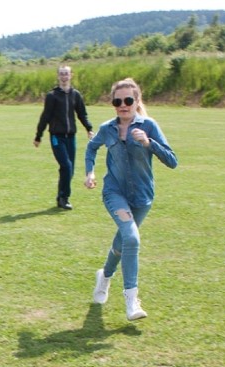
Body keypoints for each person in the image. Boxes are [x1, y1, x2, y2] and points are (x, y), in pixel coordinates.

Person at [84, 77, 178, 321]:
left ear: (137, 102)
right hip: (114, 193)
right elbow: (91, 147)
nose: (122, 105)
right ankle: (131, 301)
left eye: (128, 100)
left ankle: (104, 276)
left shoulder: (149, 126)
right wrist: (90, 172)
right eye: (117, 101)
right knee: (132, 238)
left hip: (142, 198)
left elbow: (172, 161)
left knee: (121, 243)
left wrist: (149, 143)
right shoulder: (107, 129)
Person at [34, 65, 94, 210]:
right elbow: (45, 116)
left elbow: (81, 114)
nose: (64, 76)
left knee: (69, 169)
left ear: (71, 75)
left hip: (70, 137)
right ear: (58, 76)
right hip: (56, 136)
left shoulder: (76, 95)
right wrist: (38, 135)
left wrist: (89, 128)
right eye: (61, 74)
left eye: (66, 74)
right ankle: (64, 198)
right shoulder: (52, 96)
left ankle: (61, 196)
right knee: (66, 166)